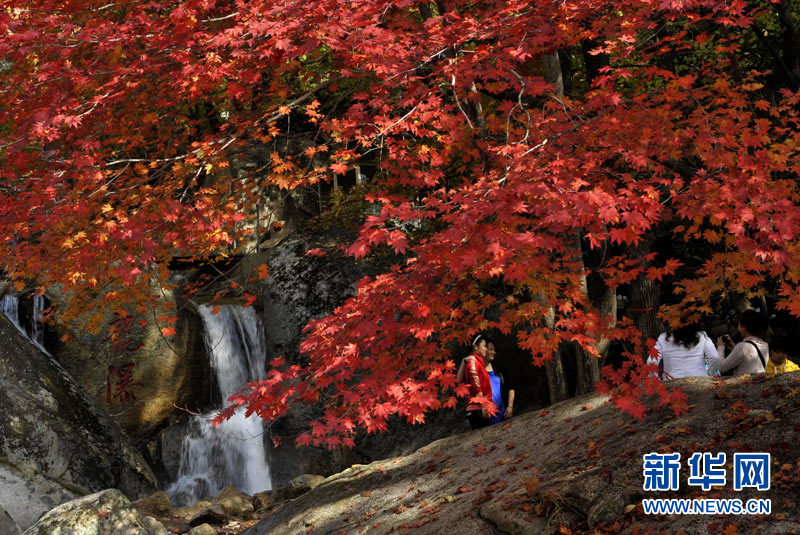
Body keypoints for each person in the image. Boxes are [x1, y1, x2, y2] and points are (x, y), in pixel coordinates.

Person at [652, 323, 720, 379]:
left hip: (671, 382)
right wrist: (710, 373)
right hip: (699, 380)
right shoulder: (702, 336)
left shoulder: (663, 338)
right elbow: (715, 357)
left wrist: (654, 380)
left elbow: (651, 361)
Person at [716, 309, 768, 375]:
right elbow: (747, 359)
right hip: (759, 380)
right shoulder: (765, 345)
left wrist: (720, 347)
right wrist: (733, 347)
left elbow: (721, 368)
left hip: (745, 381)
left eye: (739, 324)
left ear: (744, 327)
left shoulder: (742, 347)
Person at [460, 335, 493, 430]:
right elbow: (476, 385)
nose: (486, 349)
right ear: (475, 346)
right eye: (484, 346)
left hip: (479, 408)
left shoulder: (477, 362)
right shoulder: (473, 363)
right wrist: (484, 407)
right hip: (478, 409)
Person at [484, 339, 515, 424]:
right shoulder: (476, 371)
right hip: (485, 417)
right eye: (491, 349)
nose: (493, 352)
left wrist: (510, 407)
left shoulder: (499, 369)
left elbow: (510, 387)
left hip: (503, 414)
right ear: (483, 349)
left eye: (494, 350)